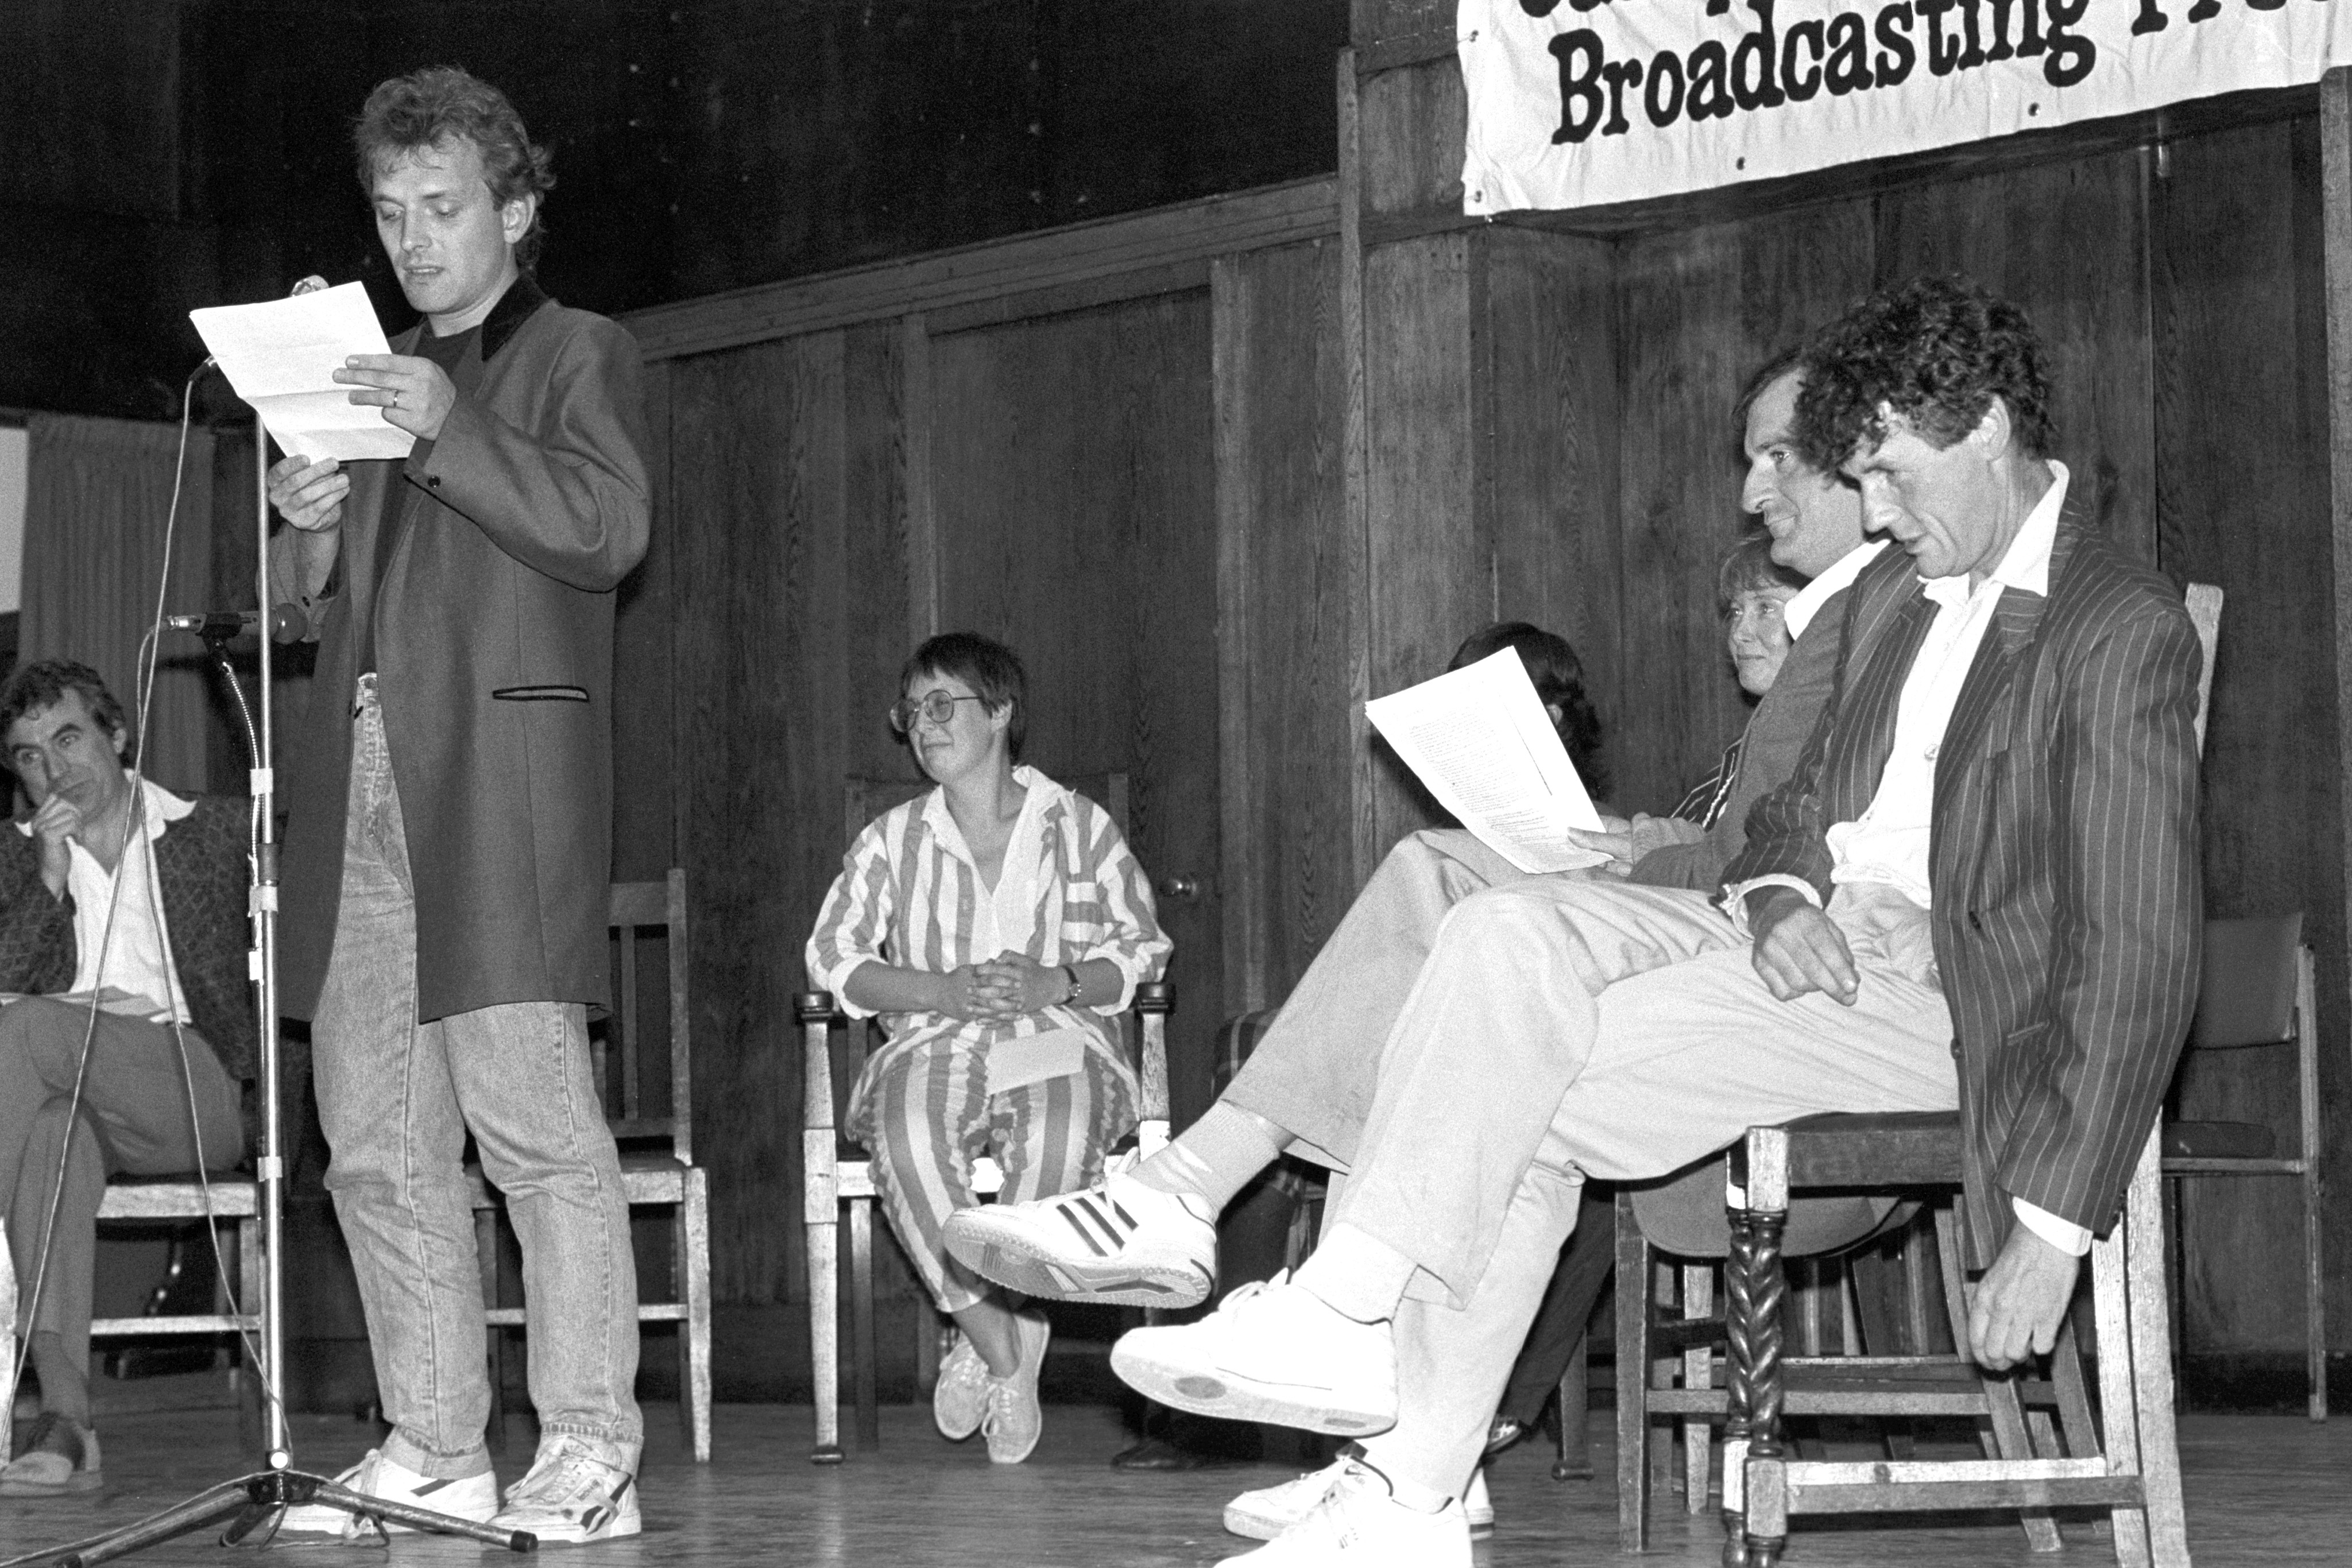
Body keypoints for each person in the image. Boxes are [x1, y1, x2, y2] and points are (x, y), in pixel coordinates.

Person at [1109, 276, 2203, 1567]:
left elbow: (2138, 951)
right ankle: (1373, 1400)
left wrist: (2056, 1228)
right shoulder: (1901, 595)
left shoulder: (2114, 625)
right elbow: (1790, 801)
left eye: (1892, 476)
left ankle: (1395, 1453)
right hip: (1801, 940)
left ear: (1987, 428)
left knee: (1512, 1073)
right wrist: (1783, 889)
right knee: (1499, 943)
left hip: (1944, 1005)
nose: (1878, 514)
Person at [944, 349, 1887, 1543]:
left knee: (1443, 891)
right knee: (1436, 923)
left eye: (1778, 457)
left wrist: (1629, 855)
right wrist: (1635, 842)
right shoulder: (1841, 631)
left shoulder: (1882, 621)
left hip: (1794, 985)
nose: (1752, 492)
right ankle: (1390, 1433)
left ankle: (1234, 1236)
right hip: (1709, 938)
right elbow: (1739, 837)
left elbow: (1774, 861)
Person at [264, 66, 649, 1543]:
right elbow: (322, 609)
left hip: (496, 786)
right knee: (371, 1136)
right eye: (389, 212)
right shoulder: (373, 377)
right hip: (360, 785)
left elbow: (606, 529)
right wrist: (305, 530)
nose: (413, 240)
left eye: (442, 207)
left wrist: (443, 429)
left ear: (517, 210)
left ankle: (592, 1446)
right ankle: (434, 1444)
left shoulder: (575, 350)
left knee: (533, 1126)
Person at [807, 632, 1170, 1465]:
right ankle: (1004, 1342)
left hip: (1056, 1039)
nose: (924, 724)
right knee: (908, 1135)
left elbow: (1142, 948)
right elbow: (832, 956)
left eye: (944, 704)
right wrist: (938, 990)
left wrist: (1057, 981)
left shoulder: (1079, 826)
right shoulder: (891, 840)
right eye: (912, 711)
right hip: (935, 1039)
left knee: (1056, 1131)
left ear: (1001, 712)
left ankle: (993, 1333)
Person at [1482, 532, 1808, 1458]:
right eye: (1733, 611)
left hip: (1760, 1008)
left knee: (1559, 1077)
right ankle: (1452, 1381)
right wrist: (1630, 842)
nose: (1741, 631)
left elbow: (1736, 869)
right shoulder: (1748, 745)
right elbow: (1699, 840)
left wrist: (1635, 852)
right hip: (1690, 975)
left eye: (1767, 607)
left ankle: (1483, 1392)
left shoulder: (1822, 733)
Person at [0, 661, 251, 1496]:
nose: (53, 768)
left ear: (117, 734)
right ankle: (66, 1417)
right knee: (47, 1140)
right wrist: (47, 875)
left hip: (196, 1084)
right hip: (70, 1093)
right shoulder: (14, 857)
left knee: (30, 1027)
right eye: (29, 756)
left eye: (69, 738)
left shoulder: (219, 831)